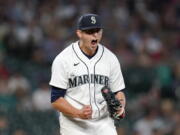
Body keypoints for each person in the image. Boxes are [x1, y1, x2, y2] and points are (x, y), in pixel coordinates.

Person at [49, 13, 126, 135]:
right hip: (74, 125)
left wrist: (120, 106)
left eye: (98, 31)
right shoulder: (63, 59)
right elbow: (56, 99)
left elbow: (119, 92)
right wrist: (77, 112)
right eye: (90, 32)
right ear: (79, 33)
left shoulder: (111, 58)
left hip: (104, 123)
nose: (95, 35)